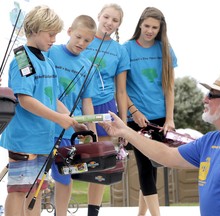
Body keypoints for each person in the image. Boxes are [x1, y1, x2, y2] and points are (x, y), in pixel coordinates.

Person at [100, 69, 220, 216]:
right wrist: (126, 132)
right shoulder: (211, 140)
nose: (205, 99)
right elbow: (168, 156)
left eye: (212, 95)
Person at [0, 5, 83, 216]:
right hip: (24, 139)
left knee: (36, 190)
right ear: (35, 30)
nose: (54, 39)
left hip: (42, 139)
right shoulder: (22, 59)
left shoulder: (48, 61)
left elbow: (50, 98)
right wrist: (58, 118)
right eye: (51, 34)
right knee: (19, 190)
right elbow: (25, 99)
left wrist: (72, 120)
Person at [122, 7, 177, 216]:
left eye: (155, 27)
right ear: (140, 24)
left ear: (160, 28)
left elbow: (169, 87)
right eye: (146, 26)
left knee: (153, 166)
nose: (150, 30)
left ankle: (141, 214)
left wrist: (169, 118)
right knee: (144, 165)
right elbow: (121, 88)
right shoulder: (126, 49)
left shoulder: (165, 50)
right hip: (136, 117)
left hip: (160, 117)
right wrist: (133, 111)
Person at [46, 15, 97, 216]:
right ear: (69, 32)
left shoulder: (89, 68)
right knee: (35, 176)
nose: (81, 43)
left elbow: (87, 102)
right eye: (78, 37)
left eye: (87, 40)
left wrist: (92, 134)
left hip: (68, 131)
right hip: (44, 126)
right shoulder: (50, 52)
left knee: (64, 178)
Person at [82, 3, 130, 216]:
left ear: (119, 24)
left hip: (105, 108)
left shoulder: (120, 51)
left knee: (100, 163)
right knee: (73, 157)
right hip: (80, 103)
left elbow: (121, 91)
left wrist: (124, 127)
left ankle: (93, 212)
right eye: (106, 17)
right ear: (98, 16)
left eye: (115, 20)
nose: (109, 23)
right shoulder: (84, 39)